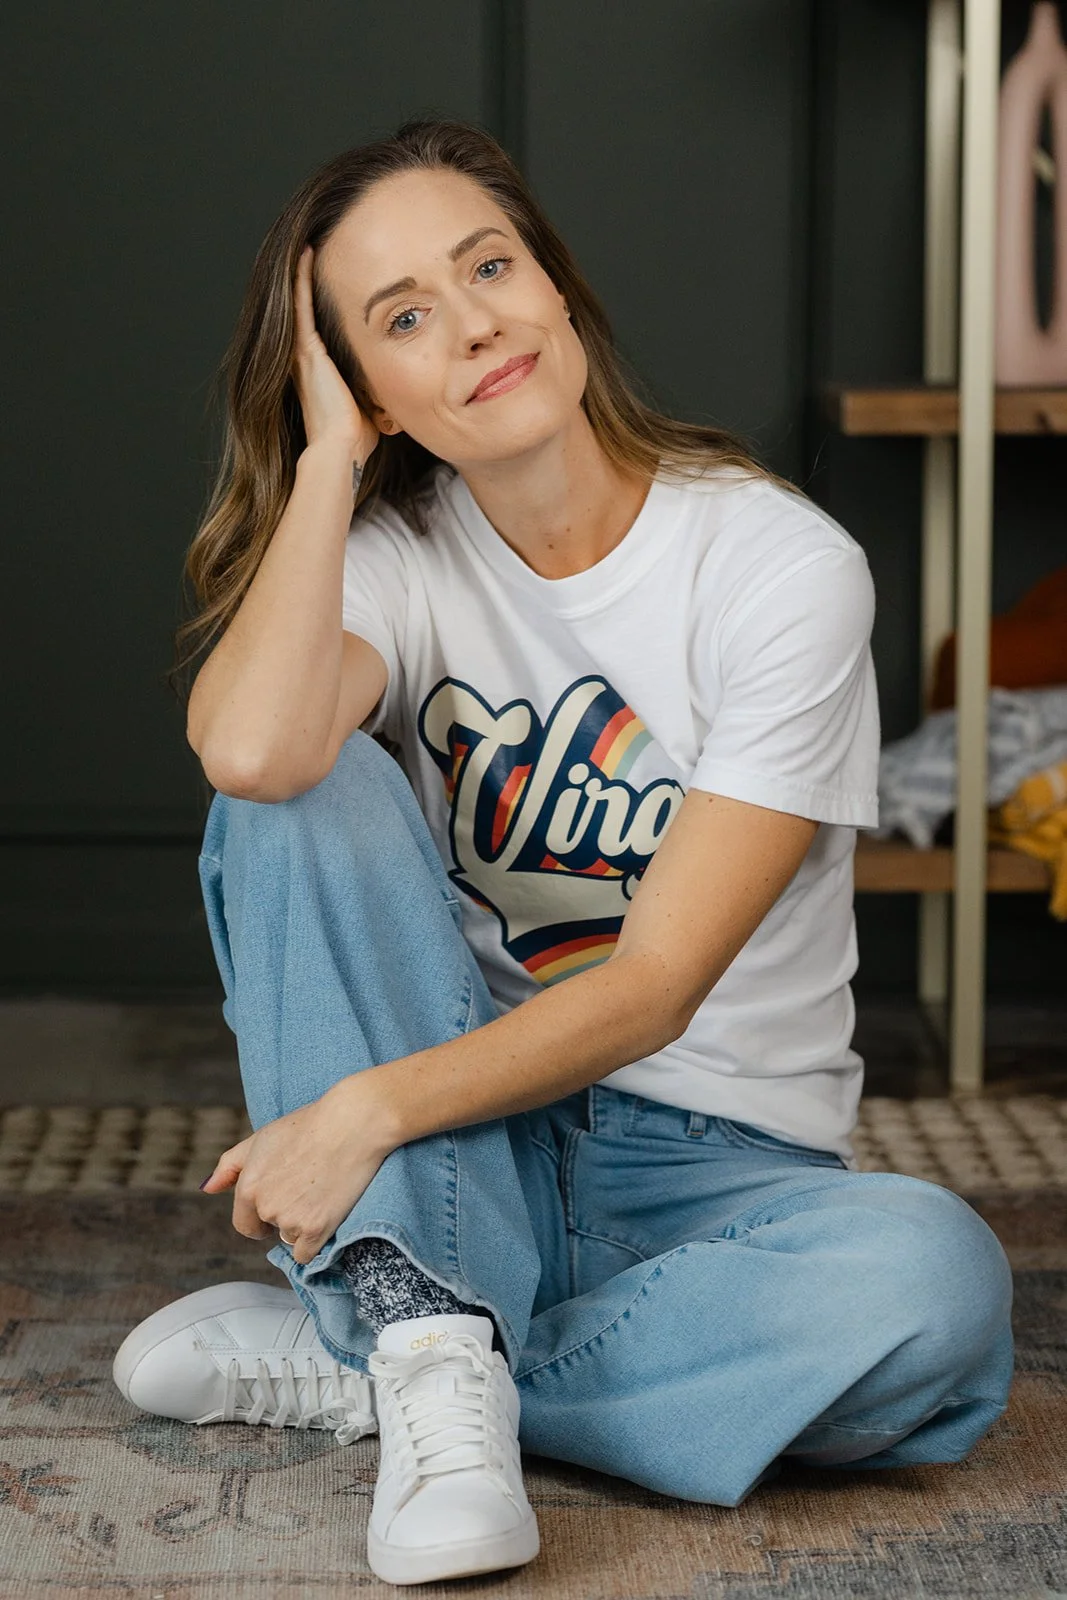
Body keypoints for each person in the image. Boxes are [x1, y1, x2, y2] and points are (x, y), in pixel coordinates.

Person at [111, 118, 1015, 1588]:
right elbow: (253, 754)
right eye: (402, 319)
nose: (471, 326)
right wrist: (332, 461)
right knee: (304, 790)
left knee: (932, 1291)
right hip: (475, 1149)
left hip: (716, 1173)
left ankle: (409, 1358)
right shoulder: (396, 562)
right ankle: (433, 1321)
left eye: (489, 266)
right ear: (367, 386)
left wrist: (360, 1119)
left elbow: (656, 984)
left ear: (555, 284)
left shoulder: (778, 571)